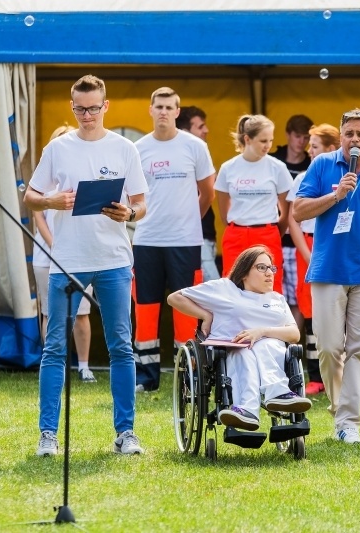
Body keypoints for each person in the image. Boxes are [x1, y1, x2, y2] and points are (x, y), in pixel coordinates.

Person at [24, 74, 148, 456]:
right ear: (72, 107)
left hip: (113, 260)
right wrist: (52, 201)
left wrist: (129, 213)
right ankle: (48, 435)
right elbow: (30, 196)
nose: (88, 116)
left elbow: (142, 204)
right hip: (67, 261)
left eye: (94, 108)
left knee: (121, 346)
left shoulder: (125, 148)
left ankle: (126, 433)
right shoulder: (57, 148)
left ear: (106, 106)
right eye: (80, 109)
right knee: (54, 348)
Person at [293, 108, 360, 445]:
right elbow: (298, 211)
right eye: (349, 133)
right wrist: (336, 195)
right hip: (328, 270)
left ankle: (348, 422)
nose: (355, 139)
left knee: (359, 350)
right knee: (328, 348)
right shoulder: (321, 166)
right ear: (341, 137)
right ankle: (340, 406)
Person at [167, 245, 312, 430]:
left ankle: (279, 394)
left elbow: (294, 334)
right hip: (233, 354)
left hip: (272, 353)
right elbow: (174, 298)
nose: (269, 273)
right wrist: (206, 315)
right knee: (244, 351)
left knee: (264, 344)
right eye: (262, 267)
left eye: (271, 268)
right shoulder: (224, 288)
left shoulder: (277, 299)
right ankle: (247, 410)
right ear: (244, 273)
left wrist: (261, 332)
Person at [132, 88, 216, 392]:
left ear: (177, 112)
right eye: (159, 106)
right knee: (145, 308)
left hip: (185, 242)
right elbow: (131, 195)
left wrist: (189, 220)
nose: (164, 112)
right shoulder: (137, 149)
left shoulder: (195, 146)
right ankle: (146, 377)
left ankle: (188, 375)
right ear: (150, 110)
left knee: (185, 310)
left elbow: (208, 193)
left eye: (169, 107)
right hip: (146, 240)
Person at [32, 124, 96, 383]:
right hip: (47, 257)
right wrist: (55, 246)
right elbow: (38, 217)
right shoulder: (43, 180)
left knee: (81, 313)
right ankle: (54, 364)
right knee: (50, 314)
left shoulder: (84, 176)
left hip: (80, 256)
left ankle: (84, 366)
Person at [285, 123, 341, 395]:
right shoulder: (303, 178)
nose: (309, 150)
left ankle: (338, 372)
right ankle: (315, 376)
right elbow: (292, 221)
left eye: (315, 146)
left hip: (336, 244)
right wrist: (308, 255)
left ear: (331, 149)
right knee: (309, 310)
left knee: (337, 307)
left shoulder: (345, 177)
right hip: (308, 246)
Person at [214, 114, 292, 294]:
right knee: (232, 286)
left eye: (270, 140)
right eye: (263, 141)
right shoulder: (228, 168)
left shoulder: (277, 167)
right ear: (247, 139)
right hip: (236, 234)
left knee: (270, 285)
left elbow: (286, 211)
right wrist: (238, 228)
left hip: (267, 234)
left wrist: (272, 232)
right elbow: (224, 212)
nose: (268, 145)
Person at [272, 114, 314, 329]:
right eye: (298, 136)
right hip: (274, 236)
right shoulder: (273, 161)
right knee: (276, 295)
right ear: (288, 134)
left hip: (302, 239)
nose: (302, 142)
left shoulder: (312, 164)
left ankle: (298, 342)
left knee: (299, 296)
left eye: (306, 138)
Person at [176, 105, 220, 282]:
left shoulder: (199, 154)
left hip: (206, 235)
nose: (206, 130)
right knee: (214, 290)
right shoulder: (181, 160)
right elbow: (208, 194)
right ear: (185, 131)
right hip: (192, 237)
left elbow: (210, 192)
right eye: (200, 126)